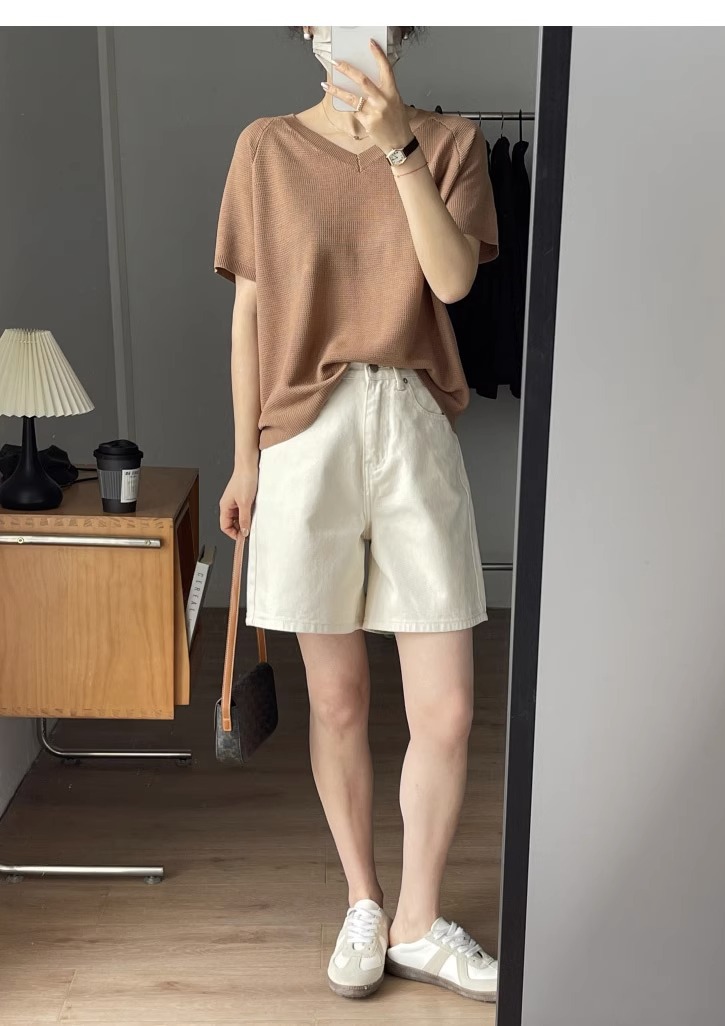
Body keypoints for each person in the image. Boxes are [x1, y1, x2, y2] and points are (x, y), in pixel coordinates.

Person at [215, 25, 500, 1004]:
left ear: (405, 26)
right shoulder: (265, 148)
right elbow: (251, 314)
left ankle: (419, 922)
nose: (354, 21)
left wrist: (397, 146)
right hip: (305, 435)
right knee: (336, 700)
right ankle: (366, 902)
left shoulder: (450, 142)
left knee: (448, 709)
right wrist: (246, 460)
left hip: (412, 420)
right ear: (305, 24)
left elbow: (452, 280)